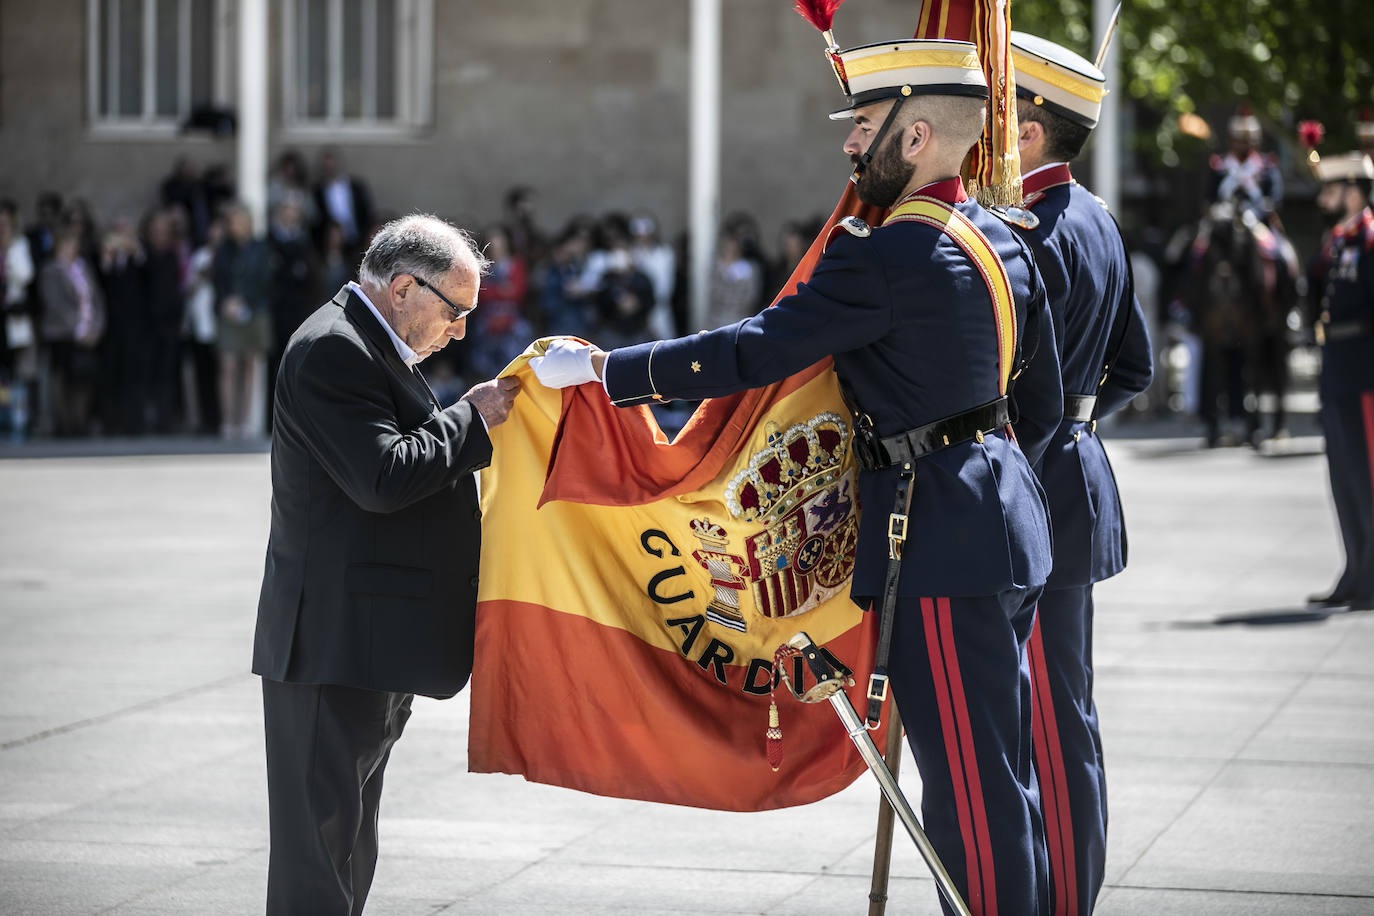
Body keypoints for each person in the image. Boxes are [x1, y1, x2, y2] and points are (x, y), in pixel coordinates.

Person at [532, 38, 1062, 916]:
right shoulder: (999, 239)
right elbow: (1033, 392)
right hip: (1005, 520)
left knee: (970, 787)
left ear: (917, 134)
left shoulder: (884, 253)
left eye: (863, 128)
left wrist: (608, 374)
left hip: (934, 534)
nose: (851, 147)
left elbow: (754, 348)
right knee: (1004, 778)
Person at [253, 213, 519, 915]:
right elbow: (383, 476)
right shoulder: (332, 350)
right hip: (331, 649)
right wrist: (471, 417)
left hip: (366, 646)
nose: (460, 329)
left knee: (346, 852)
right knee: (317, 867)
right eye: (455, 311)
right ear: (404, 287)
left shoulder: (367, 341)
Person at [1009, 32, 1155, 916]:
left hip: (1034, 490)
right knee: (1068, 710)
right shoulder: (1098, 218)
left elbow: (1019, 390)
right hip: (1076, 474)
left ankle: (1062, 899)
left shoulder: (1028, 232)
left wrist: (1048, 433)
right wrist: (1079, 426)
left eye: (998, 117)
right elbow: (1131, 366)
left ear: (1030, 131)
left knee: (1051, 722)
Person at [1306, 152, 1374, 611]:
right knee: (1344, 479)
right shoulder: (1338, 239)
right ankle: (1354, 571)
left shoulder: (1368, 238)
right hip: (1338, 369)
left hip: (1364, 371)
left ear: (1354, 190)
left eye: (1333, 190)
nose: (1324, 198)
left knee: (1366, 478)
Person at [213, 203, 273, 438]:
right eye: (231, 221)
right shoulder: (224, 249)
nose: (233, 226)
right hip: (228, 310)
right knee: (227, 365)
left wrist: (245, 300)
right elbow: (218, 280)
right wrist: (225, 301)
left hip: (255, 310)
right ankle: (228, 421)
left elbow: (265, 280)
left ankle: (246, 421)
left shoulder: (261, 248)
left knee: (250, 365)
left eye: (237, 220)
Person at [1207, 106, 1283, 223]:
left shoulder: (1266, 166)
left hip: (1258, 219)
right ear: (1231, 140)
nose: (1243, 145)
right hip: (1223, 218)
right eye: (1239, 140)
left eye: (1247, 140)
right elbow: (1209, 197)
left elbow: (1275, 198)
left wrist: (1262, 209)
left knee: (1276, 241)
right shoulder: (1219, 165)